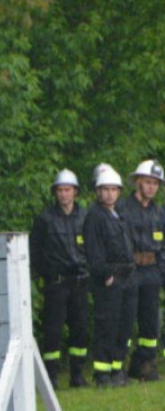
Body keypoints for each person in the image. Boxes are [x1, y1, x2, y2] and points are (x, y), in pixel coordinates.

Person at [30, 169, 89, 388]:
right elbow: (35, 251)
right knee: (53, 330)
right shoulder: (45, 219)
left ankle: (77, 374)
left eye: (68, 190)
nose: (64, 194)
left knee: (80, 328)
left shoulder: (85, 217)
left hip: (80, 281)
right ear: (55, 193)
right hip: (56, 282)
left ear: (75, 192)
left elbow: (92, 246)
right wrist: (47, 273)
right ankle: (51, 376)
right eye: (60, 190)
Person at [82, 166, 137, 387]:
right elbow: (94, 251)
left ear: (119, 191)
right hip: (109, 278)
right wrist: (106, 275)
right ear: (98, 191)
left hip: (127, 277)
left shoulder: (119, 214)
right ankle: (102, 374)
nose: (109, 194)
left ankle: (117, 369)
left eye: (114, 189)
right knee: (107, 325)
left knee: (124, 325)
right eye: (105, 189)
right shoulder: (95, 216)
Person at [117, 160, 165, 381]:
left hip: (152, 271)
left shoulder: (159, 212)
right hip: (131, 271)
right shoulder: (123, 210)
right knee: (125, 320)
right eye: (148, 182)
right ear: (137, 182)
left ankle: (145, 363)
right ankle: (118, 365)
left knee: (150, 321)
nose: (151, 187)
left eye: (155, 183)